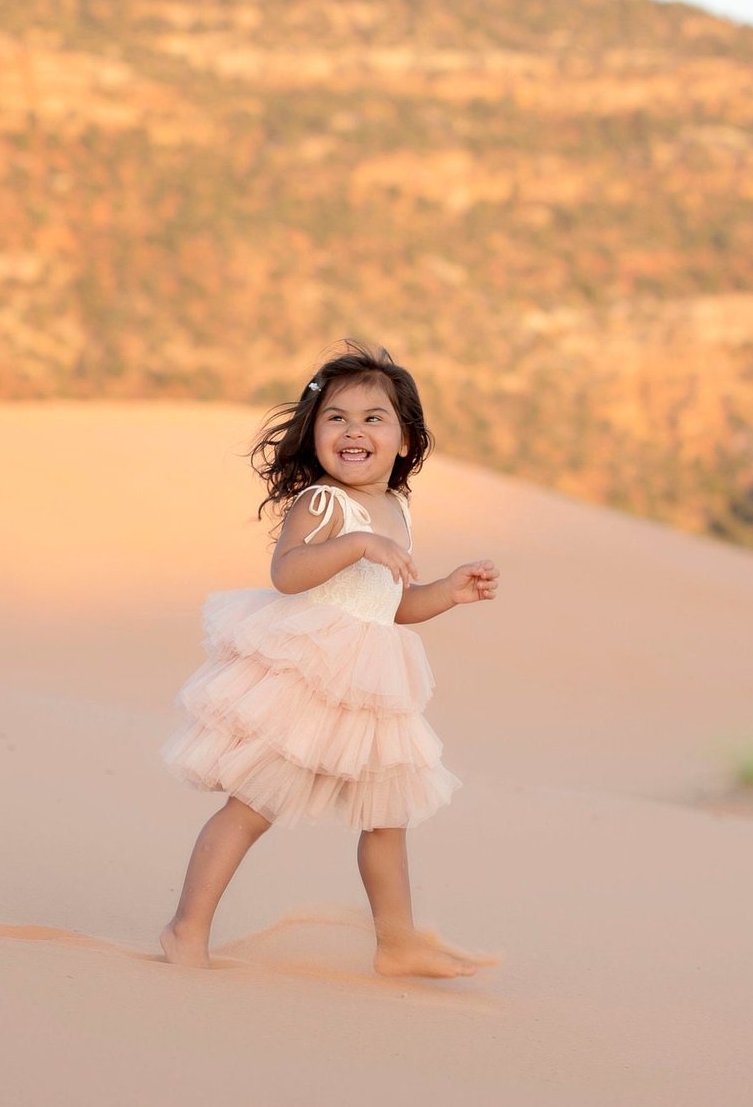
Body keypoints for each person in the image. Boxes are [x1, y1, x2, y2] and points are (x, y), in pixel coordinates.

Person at [157, 340, 501, 977]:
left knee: (387, 817)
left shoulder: (394, 509)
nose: (354, 430)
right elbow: (288, 574)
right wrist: (356, 544)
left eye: (375, 418)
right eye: (337, 417)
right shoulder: (322, 503)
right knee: (252, 806)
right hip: (313, 678)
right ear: (314, 434)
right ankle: (186, 930)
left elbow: (390, 607)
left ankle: (397, 944)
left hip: (369, 685)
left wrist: (448, 592)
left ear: (403, 441)